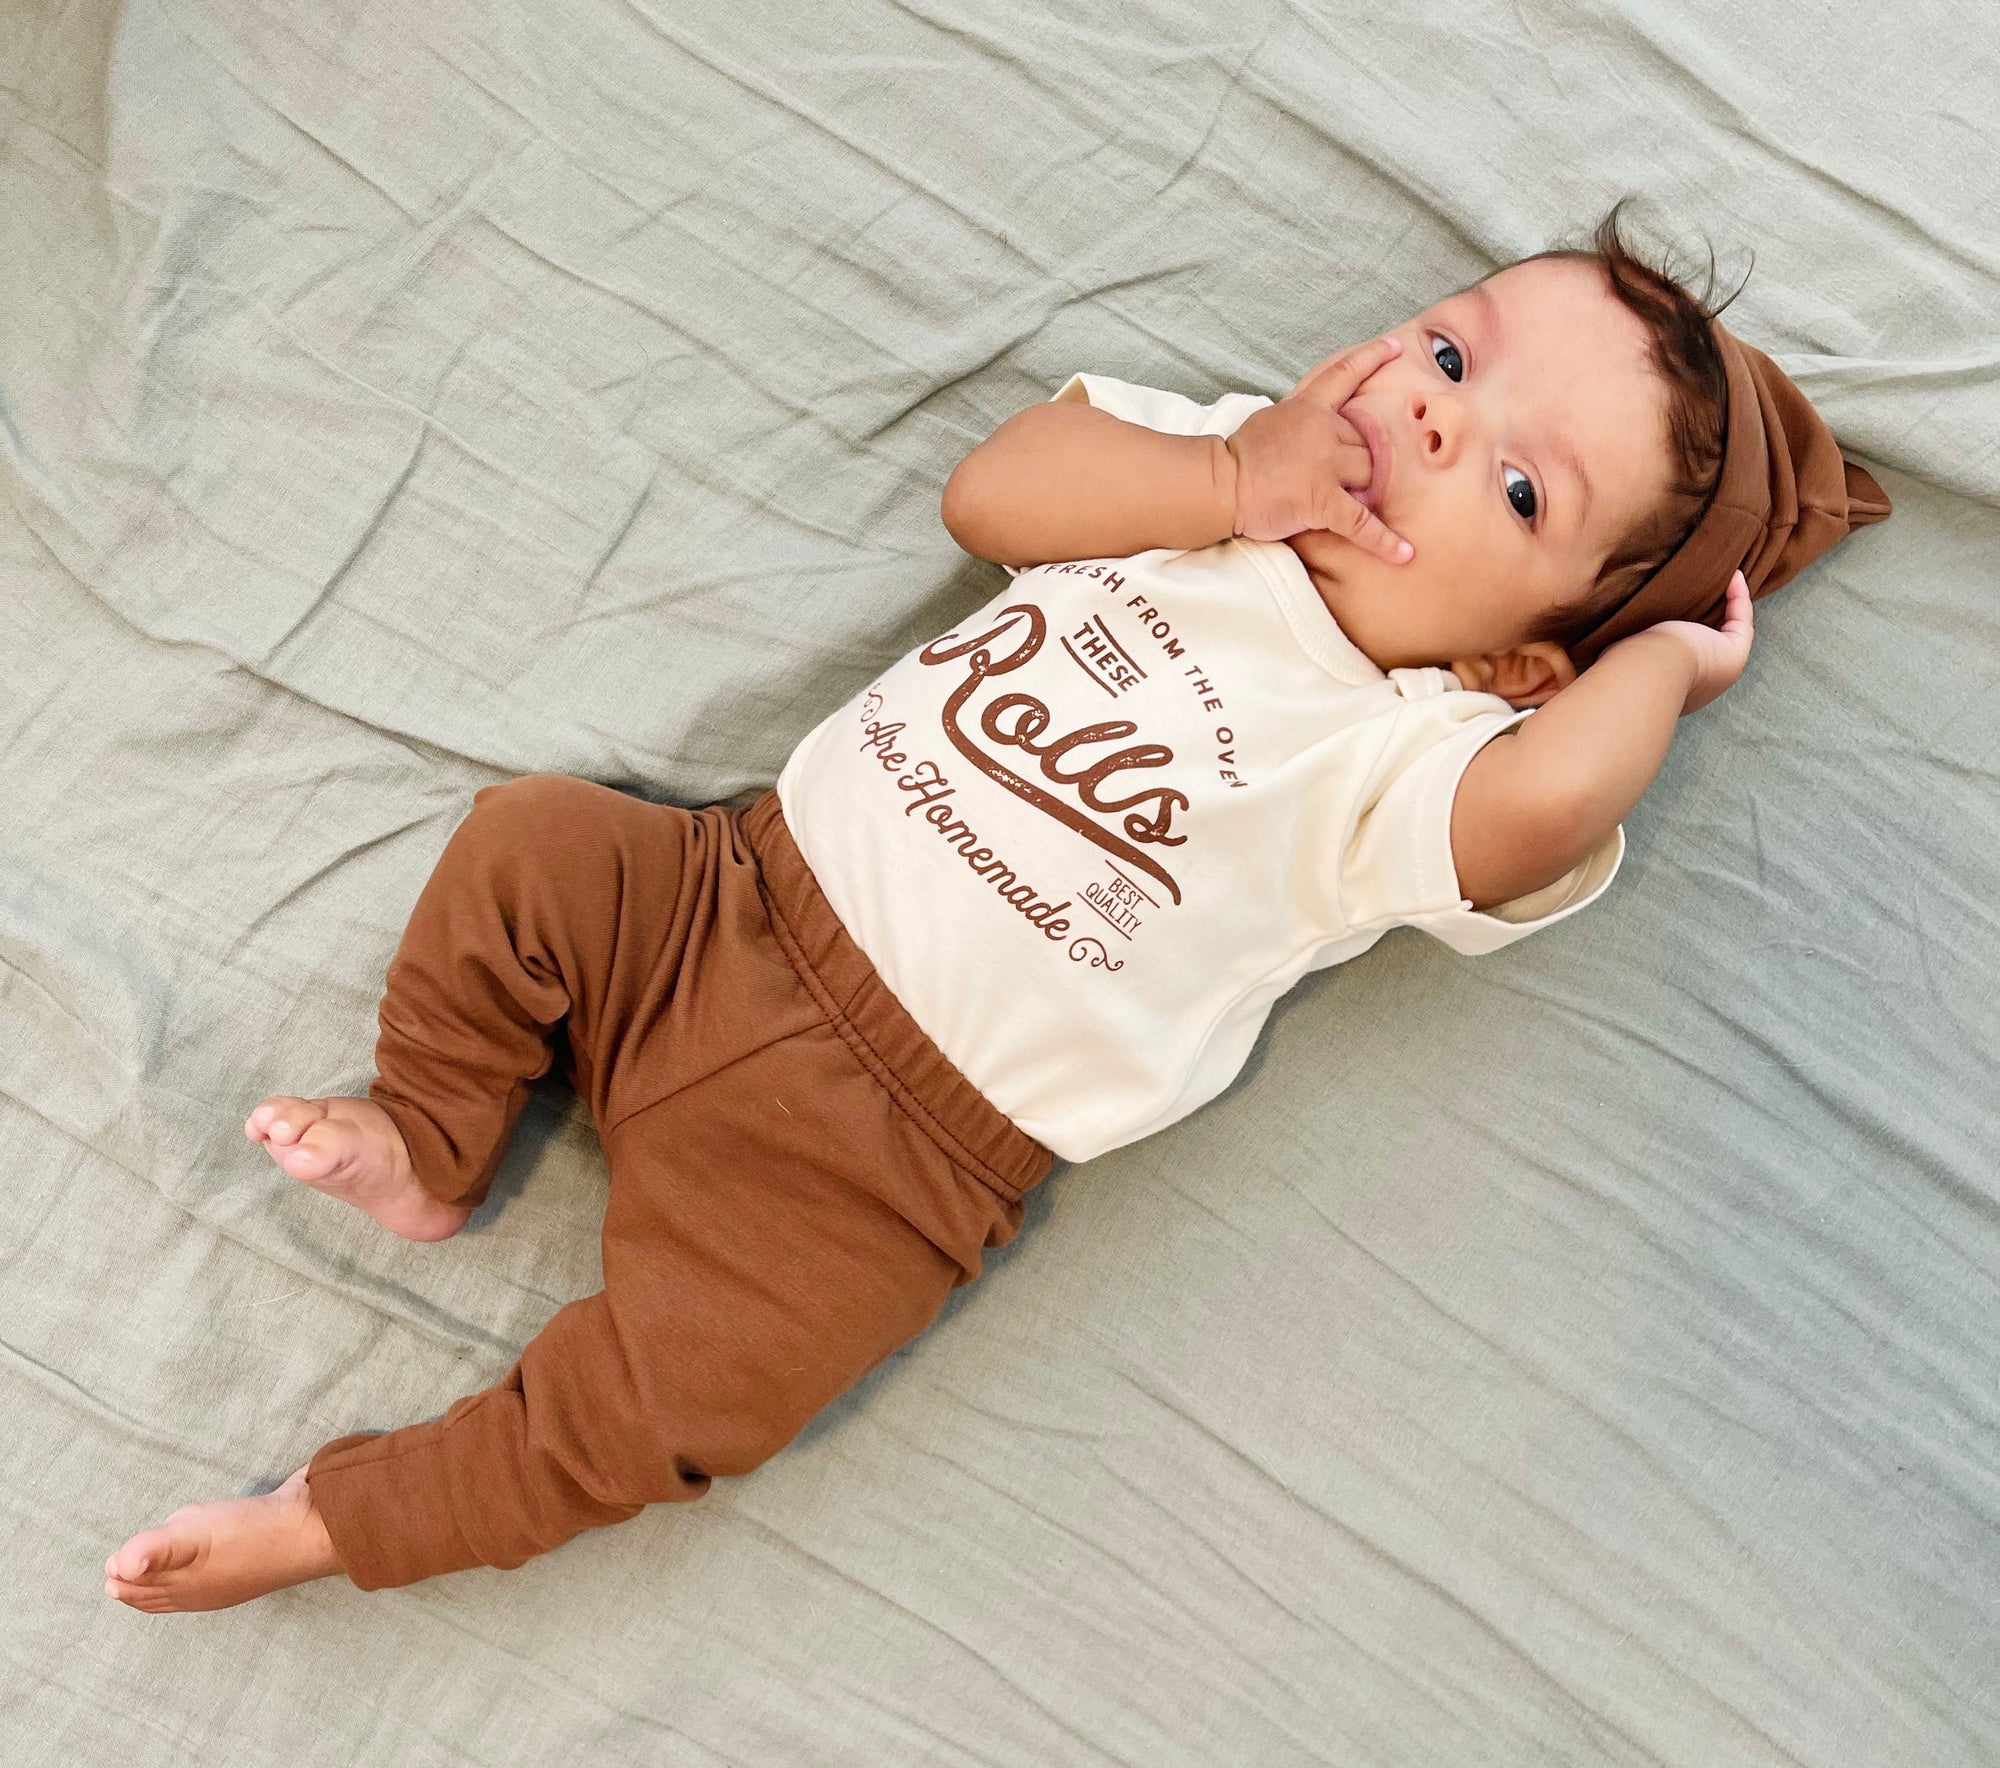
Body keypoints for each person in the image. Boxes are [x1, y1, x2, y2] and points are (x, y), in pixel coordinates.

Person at [103, 206, 1888, 1612]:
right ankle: (432, 1134)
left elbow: (1546, 813)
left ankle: (331, 1522)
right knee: (531, 842)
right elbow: (998, 491)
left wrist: (1657, 669)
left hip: (888, 1164)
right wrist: (1229, 482)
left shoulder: (1409, 758)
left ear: (1519, 658)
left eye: (1514, 483)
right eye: (1447, 347)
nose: (1432, 408)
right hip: (721, 896)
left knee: (669, 1408)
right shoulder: (1208, 479)